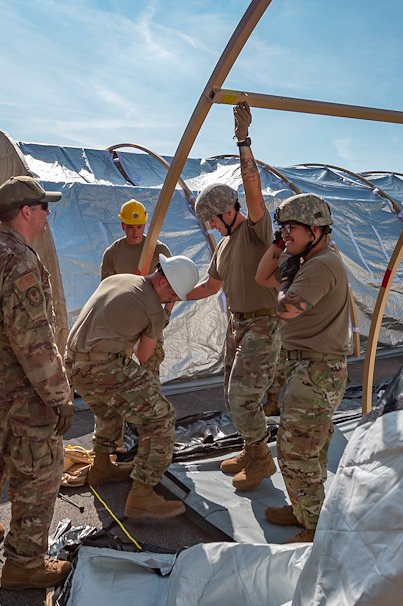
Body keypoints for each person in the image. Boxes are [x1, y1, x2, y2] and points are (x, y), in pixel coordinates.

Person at [0, 175, 75, 591]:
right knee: (41, 469)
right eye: (43, 207)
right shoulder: (18, 260)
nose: (47, 214)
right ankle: (24, 562)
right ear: (26, 212)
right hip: (17, 392)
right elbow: (34, 343)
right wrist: (59, 397)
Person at [185, 102, 282, 492]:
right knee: (232, 393)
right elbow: (211, 286)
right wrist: (169, 296)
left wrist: (243, 141)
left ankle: (261, 459)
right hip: (238, 324)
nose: (209, 226)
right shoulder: (224, 246)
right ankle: (250, 448)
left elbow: (253, 190)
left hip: (263, 323)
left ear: (227, 211)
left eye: (211, 218)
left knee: (243, 395)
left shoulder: (256, 231)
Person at [66, 255, 200, 518]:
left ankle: (102, 466)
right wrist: (164, 314)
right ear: (163, 282)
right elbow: (145, 355)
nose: (171, 300)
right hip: (102, 366)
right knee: (161, 416)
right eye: (173, 295)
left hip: (73, 362)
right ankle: (142, 494)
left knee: (109, 409)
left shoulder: (119, 279)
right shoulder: (153, 309)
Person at [255, 193, 349, 543]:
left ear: (315, 230)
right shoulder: (306, 262)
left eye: (291, 228)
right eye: (282, 229)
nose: (285, 234)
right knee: (309, 448)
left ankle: (314, 529)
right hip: (308, 369)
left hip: (316, 370)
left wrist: (285, 283)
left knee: (297, 451)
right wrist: (281, 246)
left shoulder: (322, 264)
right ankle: (305, 510)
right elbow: (262, 275)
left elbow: (286, 310)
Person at [100, 199, 173, 376]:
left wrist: (165, 314)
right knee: (119, 371)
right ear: (122, 226)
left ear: (145, 225)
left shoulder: (159, 250)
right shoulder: (112, 253)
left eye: (139, 227)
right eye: (131, 227)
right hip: (123, 320)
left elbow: (174, 287)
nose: (135, 232)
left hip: (150, 319)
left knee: (150, 368)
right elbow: (105, 290)